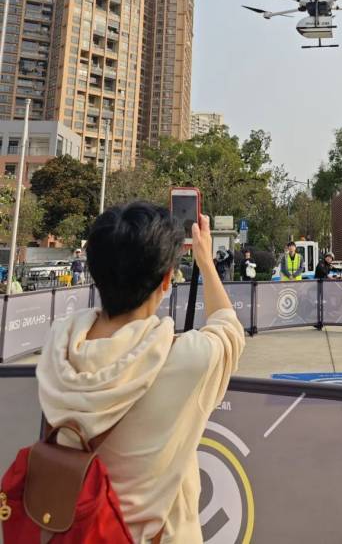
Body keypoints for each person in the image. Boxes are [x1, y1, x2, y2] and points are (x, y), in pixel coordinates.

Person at [36, 203, 245, 543]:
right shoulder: (182, 360)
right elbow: (228, 327)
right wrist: (205, 261)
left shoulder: (56, 349)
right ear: (166, 280)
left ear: (95, 271)